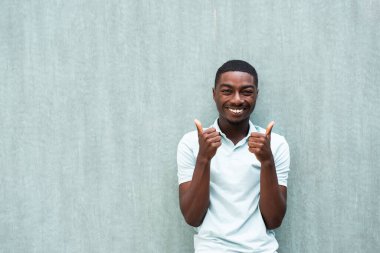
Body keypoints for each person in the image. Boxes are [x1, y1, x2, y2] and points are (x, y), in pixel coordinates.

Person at [177, 60, 290, 253]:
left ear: (256, 95)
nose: (237, 100)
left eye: (246, 91)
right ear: (214, 94)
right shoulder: (191, 143)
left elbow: (274, 220)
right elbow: (192, 217)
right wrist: (204, 158)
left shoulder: (275, 145)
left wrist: (267, 161)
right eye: (227, 91)